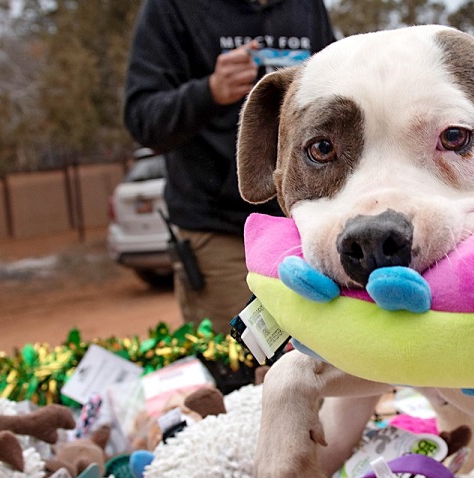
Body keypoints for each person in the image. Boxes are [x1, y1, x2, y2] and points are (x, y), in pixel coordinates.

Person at [123, 0, 335, 334]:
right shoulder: (172, 8)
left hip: (303, 223)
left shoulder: (306, 6)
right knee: (240, 364)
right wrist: (209, 91)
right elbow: (142, 119)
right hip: (218, 231)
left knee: (320, 358)